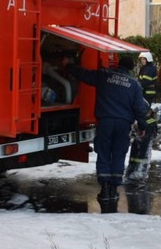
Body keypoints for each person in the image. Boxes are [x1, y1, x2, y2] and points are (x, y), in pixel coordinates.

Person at [61, 54, 149, 202]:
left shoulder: (105, 76)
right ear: (131, 68)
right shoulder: (134, 84)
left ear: (118, 64)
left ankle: (105, 188)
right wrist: (143, 126)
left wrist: (68, 65)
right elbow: (139, 108)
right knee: (118, 154)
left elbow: (84, 74)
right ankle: (114, 189)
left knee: (104, 153)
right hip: (123, 124)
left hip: (105, 122)